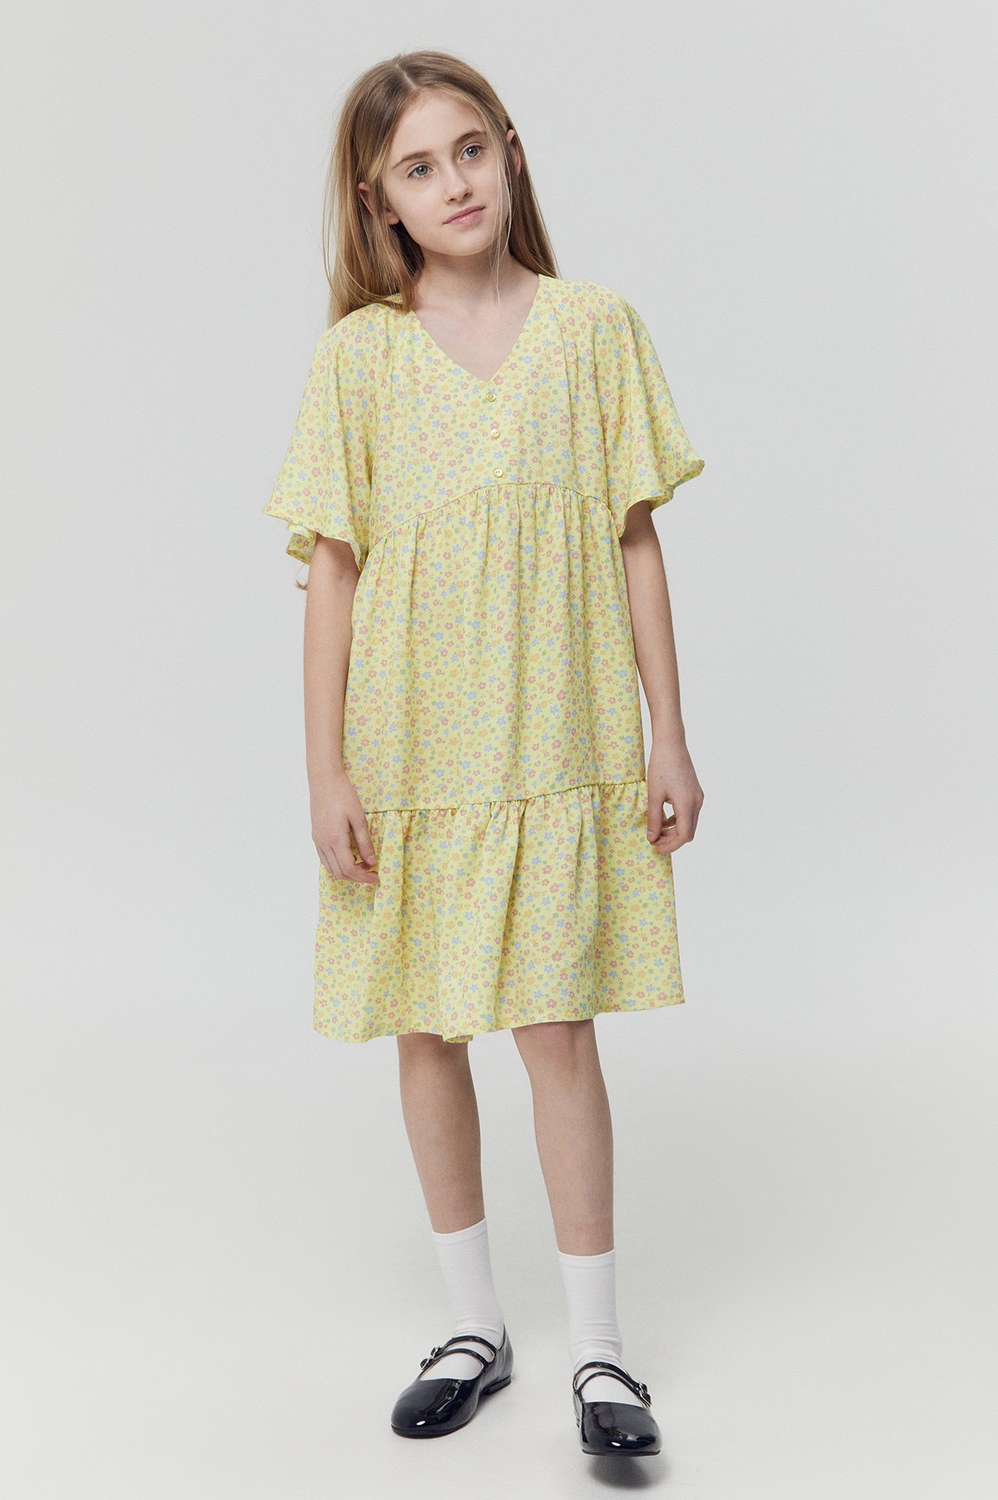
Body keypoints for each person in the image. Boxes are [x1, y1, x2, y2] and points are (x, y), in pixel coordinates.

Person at [262, 50, 706, 1458]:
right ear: (377, 199)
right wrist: (326, 772)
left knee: (558, 1029)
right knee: (427, 1025)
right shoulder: (360, 359)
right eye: (417, 167)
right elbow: (334, 574)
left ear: (510, 149)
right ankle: (474, 1326)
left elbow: (636, 543)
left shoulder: (593, 330)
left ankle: (602, 1352)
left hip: (558, 733)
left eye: (469, 149)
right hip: (412, 751)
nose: (452, 183)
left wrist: (669, 734)